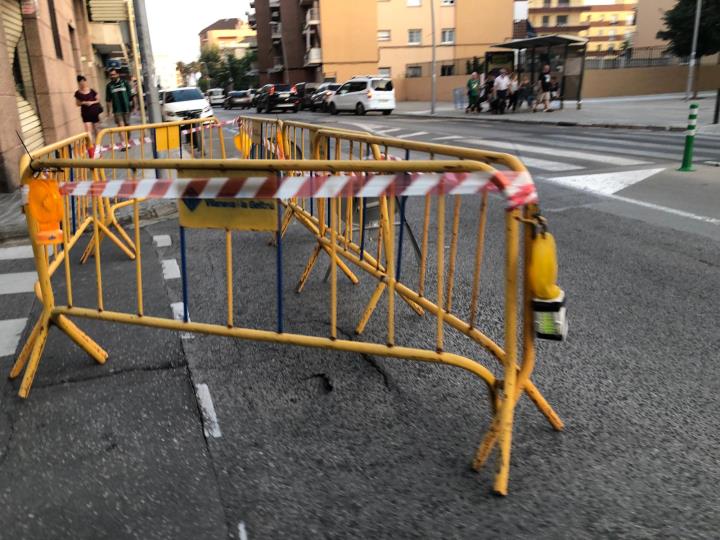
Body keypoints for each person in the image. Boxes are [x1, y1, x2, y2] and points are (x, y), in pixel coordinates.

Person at [74, 75, 102, 155]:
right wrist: (84, 102)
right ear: (79, 83)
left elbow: (98, 100)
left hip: (94, 112)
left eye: (84, 82)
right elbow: (77, 103)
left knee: (96, 129)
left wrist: (91, 102)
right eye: (80, 83)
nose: (83, 84)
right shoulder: (77, 93)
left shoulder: (92, 91)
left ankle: (98, 145)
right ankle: (91, 147)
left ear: (86, 81)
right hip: (85, 113)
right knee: (88, 131)